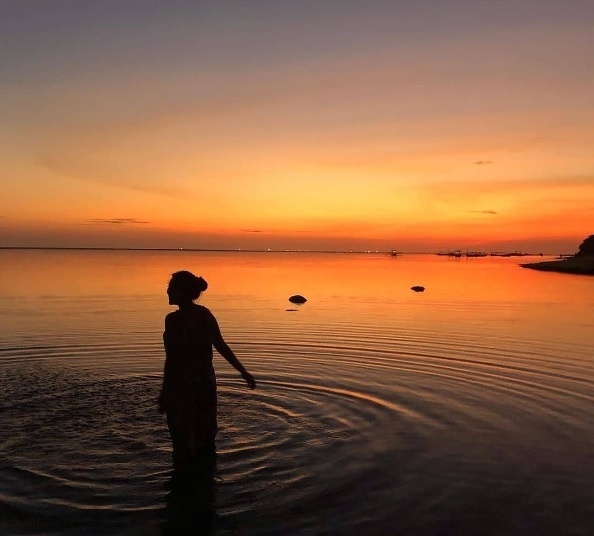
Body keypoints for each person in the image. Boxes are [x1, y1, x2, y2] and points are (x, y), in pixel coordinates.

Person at [158, 270, 256, 471]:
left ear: (181, 292)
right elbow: (221, 345)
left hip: (184, 387)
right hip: (206, 384)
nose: (167, 290)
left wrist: (165, 393)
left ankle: (184, 489)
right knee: (206, 438)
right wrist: (243, 372)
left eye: (171, 287)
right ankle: (207, 485)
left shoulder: (173, 320)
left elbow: (173, 359)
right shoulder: (205, 314)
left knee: (182, 442)